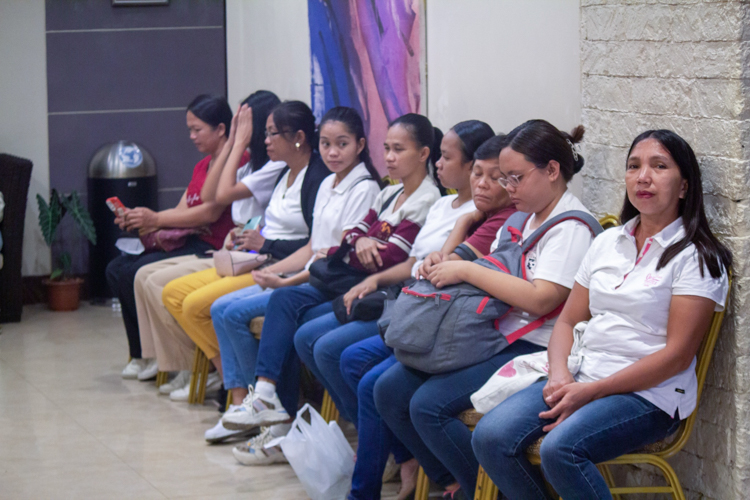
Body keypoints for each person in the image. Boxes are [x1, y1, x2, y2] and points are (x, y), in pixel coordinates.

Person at [472, 129, 731, 500]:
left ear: (684, 186)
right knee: (491, 437)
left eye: (659, 166)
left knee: (560, 450)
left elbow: (677, 356)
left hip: (649, 394)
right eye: (634, 166)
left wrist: (591, 391)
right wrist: (560, 376)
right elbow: (568, 321)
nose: (643, 177)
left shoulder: (696, 256)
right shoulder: (608, 242)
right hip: (584, 372)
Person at [374, 119, 597, 498]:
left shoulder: (571, 227)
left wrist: (464, 270)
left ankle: (483, 489)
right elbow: (484, 265)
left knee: (429, 406)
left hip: (534, 345)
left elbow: (542, 298)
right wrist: (444, 262)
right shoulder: (522, 216)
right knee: (389, 389)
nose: (507, 188)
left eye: (514, 178)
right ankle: (460, 484)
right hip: (492, 330)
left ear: (553, 170)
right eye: (503, 179)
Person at [219, 113, 444, 435]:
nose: (390, 157)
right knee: (278, 311)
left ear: (423, 154)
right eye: (388, 149)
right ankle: (272, 406)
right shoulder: (389, 193)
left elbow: (388, 256)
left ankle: (291, 412)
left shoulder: (422, 198)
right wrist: (358, 242)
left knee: (297, 319)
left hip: (369, 289)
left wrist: (354, 244)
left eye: (399, 149)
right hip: (342, 278)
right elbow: (349, 236)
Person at [327, 131, 520, 500]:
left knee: (378, 382)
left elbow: (437, 273)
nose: (481, 182)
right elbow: (423, 267)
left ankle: (445, 478)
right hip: (432, 312)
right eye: (478, 173)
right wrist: (462, 228)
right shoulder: (448, 207)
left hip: (457, 325)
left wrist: (461, 231)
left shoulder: (501, 219)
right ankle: (415, 465)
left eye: (495, 177)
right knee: (343, 357)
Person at [204, 106, 381, 443]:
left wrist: (285, 280)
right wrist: (273, 269)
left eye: (341, 144)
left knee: (283, 306)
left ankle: (272, 405)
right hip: (315, 277)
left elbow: (334, 258)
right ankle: (265, 405)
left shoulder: (365, 189)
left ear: (360, 144)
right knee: (242, 308)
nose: (332, 152)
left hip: (337, 284)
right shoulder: (328, 182)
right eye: (326, 143)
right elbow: (315, 246)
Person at [157, 100, 330, 400]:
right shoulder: (281, 172)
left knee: (213, 307)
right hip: (258, 259)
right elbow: (264, 220)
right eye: (264, 133)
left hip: (281, 264)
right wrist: (249, 233)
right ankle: (238, 390)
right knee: (174, 293)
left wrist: (265, 246)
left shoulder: (317, 178)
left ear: (298, 137)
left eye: (272, 133)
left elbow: (312, 245)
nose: (264, 141)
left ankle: (245, 394)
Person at [131, 90, 281, 385]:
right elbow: (207, 198)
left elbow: (216, 200)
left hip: (253, 259)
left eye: (196, 129)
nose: (191, 136)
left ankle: (221, 376)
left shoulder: (266, 165)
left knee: (178, 294)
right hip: (237, 252)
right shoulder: (245, 163)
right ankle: (185, 365)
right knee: (140, 276)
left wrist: (234, 143)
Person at [110, 94, 235, 379]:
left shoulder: (235, 163)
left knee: (139, 274)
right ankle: (144, 352)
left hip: (211, 246)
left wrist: (155, 219)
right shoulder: (203, 165)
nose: (191, 136)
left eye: (197, 129)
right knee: (118, 269)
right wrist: (144, 220)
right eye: (189, 129)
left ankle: (181, 362)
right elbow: (182, 210)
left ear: (221, 129)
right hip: (192, 240)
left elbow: (209, 213)